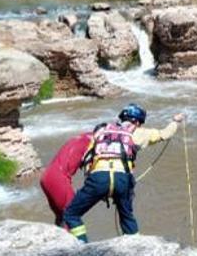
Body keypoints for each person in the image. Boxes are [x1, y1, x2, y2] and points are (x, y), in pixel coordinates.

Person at [63, 104, 185, 243]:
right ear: (138, 122)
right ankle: (136, 247)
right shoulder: (139, 132)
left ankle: (83, 246)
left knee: (71, 214)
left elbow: (87, 158)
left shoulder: (102, 131)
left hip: (98, 178)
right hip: (123, 179)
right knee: (126, 216)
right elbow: (165, 134)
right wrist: (175, 121)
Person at [40, 130, 98, 227]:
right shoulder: (93, 143)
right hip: (58, 178)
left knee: (61, 217)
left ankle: (59, 239)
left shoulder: (81, 138)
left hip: (46, 176)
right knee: (72, 216)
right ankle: (76, 241)